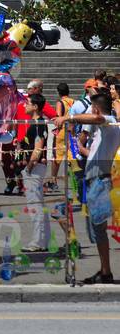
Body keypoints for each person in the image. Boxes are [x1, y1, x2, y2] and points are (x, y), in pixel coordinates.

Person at [55, 90, 120, 284]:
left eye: (92, 108)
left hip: (100, 181)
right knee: (95, 229)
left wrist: (68, 117)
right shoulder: (106, 128)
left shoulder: (108, 121)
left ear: (96, 108)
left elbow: (97, 118)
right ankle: (104, 270)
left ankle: (106, 271)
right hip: (95, 180)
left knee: (98, 229)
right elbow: (89, 148)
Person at [19, 93, 51, 252]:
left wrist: (29, 167)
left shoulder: (38, 124)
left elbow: (38, 148)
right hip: (36, 167)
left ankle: (38, 242)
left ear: (35, 107)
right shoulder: (38, 123)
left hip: (35, 168)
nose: (25, 105)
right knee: (39, 205)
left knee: (34, 205)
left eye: (27, 103)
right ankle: (43, 240)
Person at [48, 82, 74, 191]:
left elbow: (58, 117)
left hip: (62, 131)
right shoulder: (73, 101)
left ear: (58, 92)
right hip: (72, 130)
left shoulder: (60, 102)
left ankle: (53, 181)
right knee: (72, 156)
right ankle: (74, 180)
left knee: (57, 157)